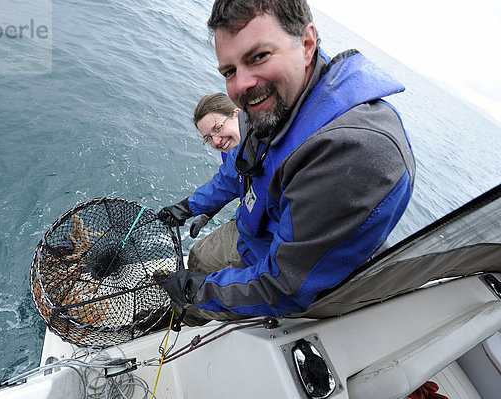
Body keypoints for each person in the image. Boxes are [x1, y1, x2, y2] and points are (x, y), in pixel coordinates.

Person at [158, 0, 416, 325]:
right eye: (229, 71)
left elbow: (282, 286)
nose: (241, 85)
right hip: (251, 236)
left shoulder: (354, 153)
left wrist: (199, 291)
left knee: (197, 290)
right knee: (198, 256)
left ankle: (186, 317)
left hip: (279, 280)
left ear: (307, 45)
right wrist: (190, 206)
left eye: (259, 56)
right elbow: (237, 172)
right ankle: (186, 309)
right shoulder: (274, 107)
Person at [188, 93, 241, 243]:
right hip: (246, 215)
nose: (216, 142)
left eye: (218, 128)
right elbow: (231, 182)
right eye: (208, 138)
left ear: (236, 114)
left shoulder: (267, 150)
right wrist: (207, 213)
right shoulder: (231, 150)